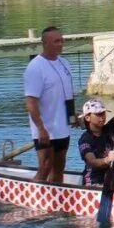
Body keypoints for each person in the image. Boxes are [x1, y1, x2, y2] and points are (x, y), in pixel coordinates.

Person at [24, 26, 75, 184]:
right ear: (45, 43)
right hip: (45, 129)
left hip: (62, 127)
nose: (60, 44)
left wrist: (73, 117)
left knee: (59, 168)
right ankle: (32, 198)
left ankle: (57, 202)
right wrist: (41, 129)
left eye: (61, 40)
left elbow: (68, 94)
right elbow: (31, 102)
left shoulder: (64, 63)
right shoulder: (35, 67)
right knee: (45, 166)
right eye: (56, 41)